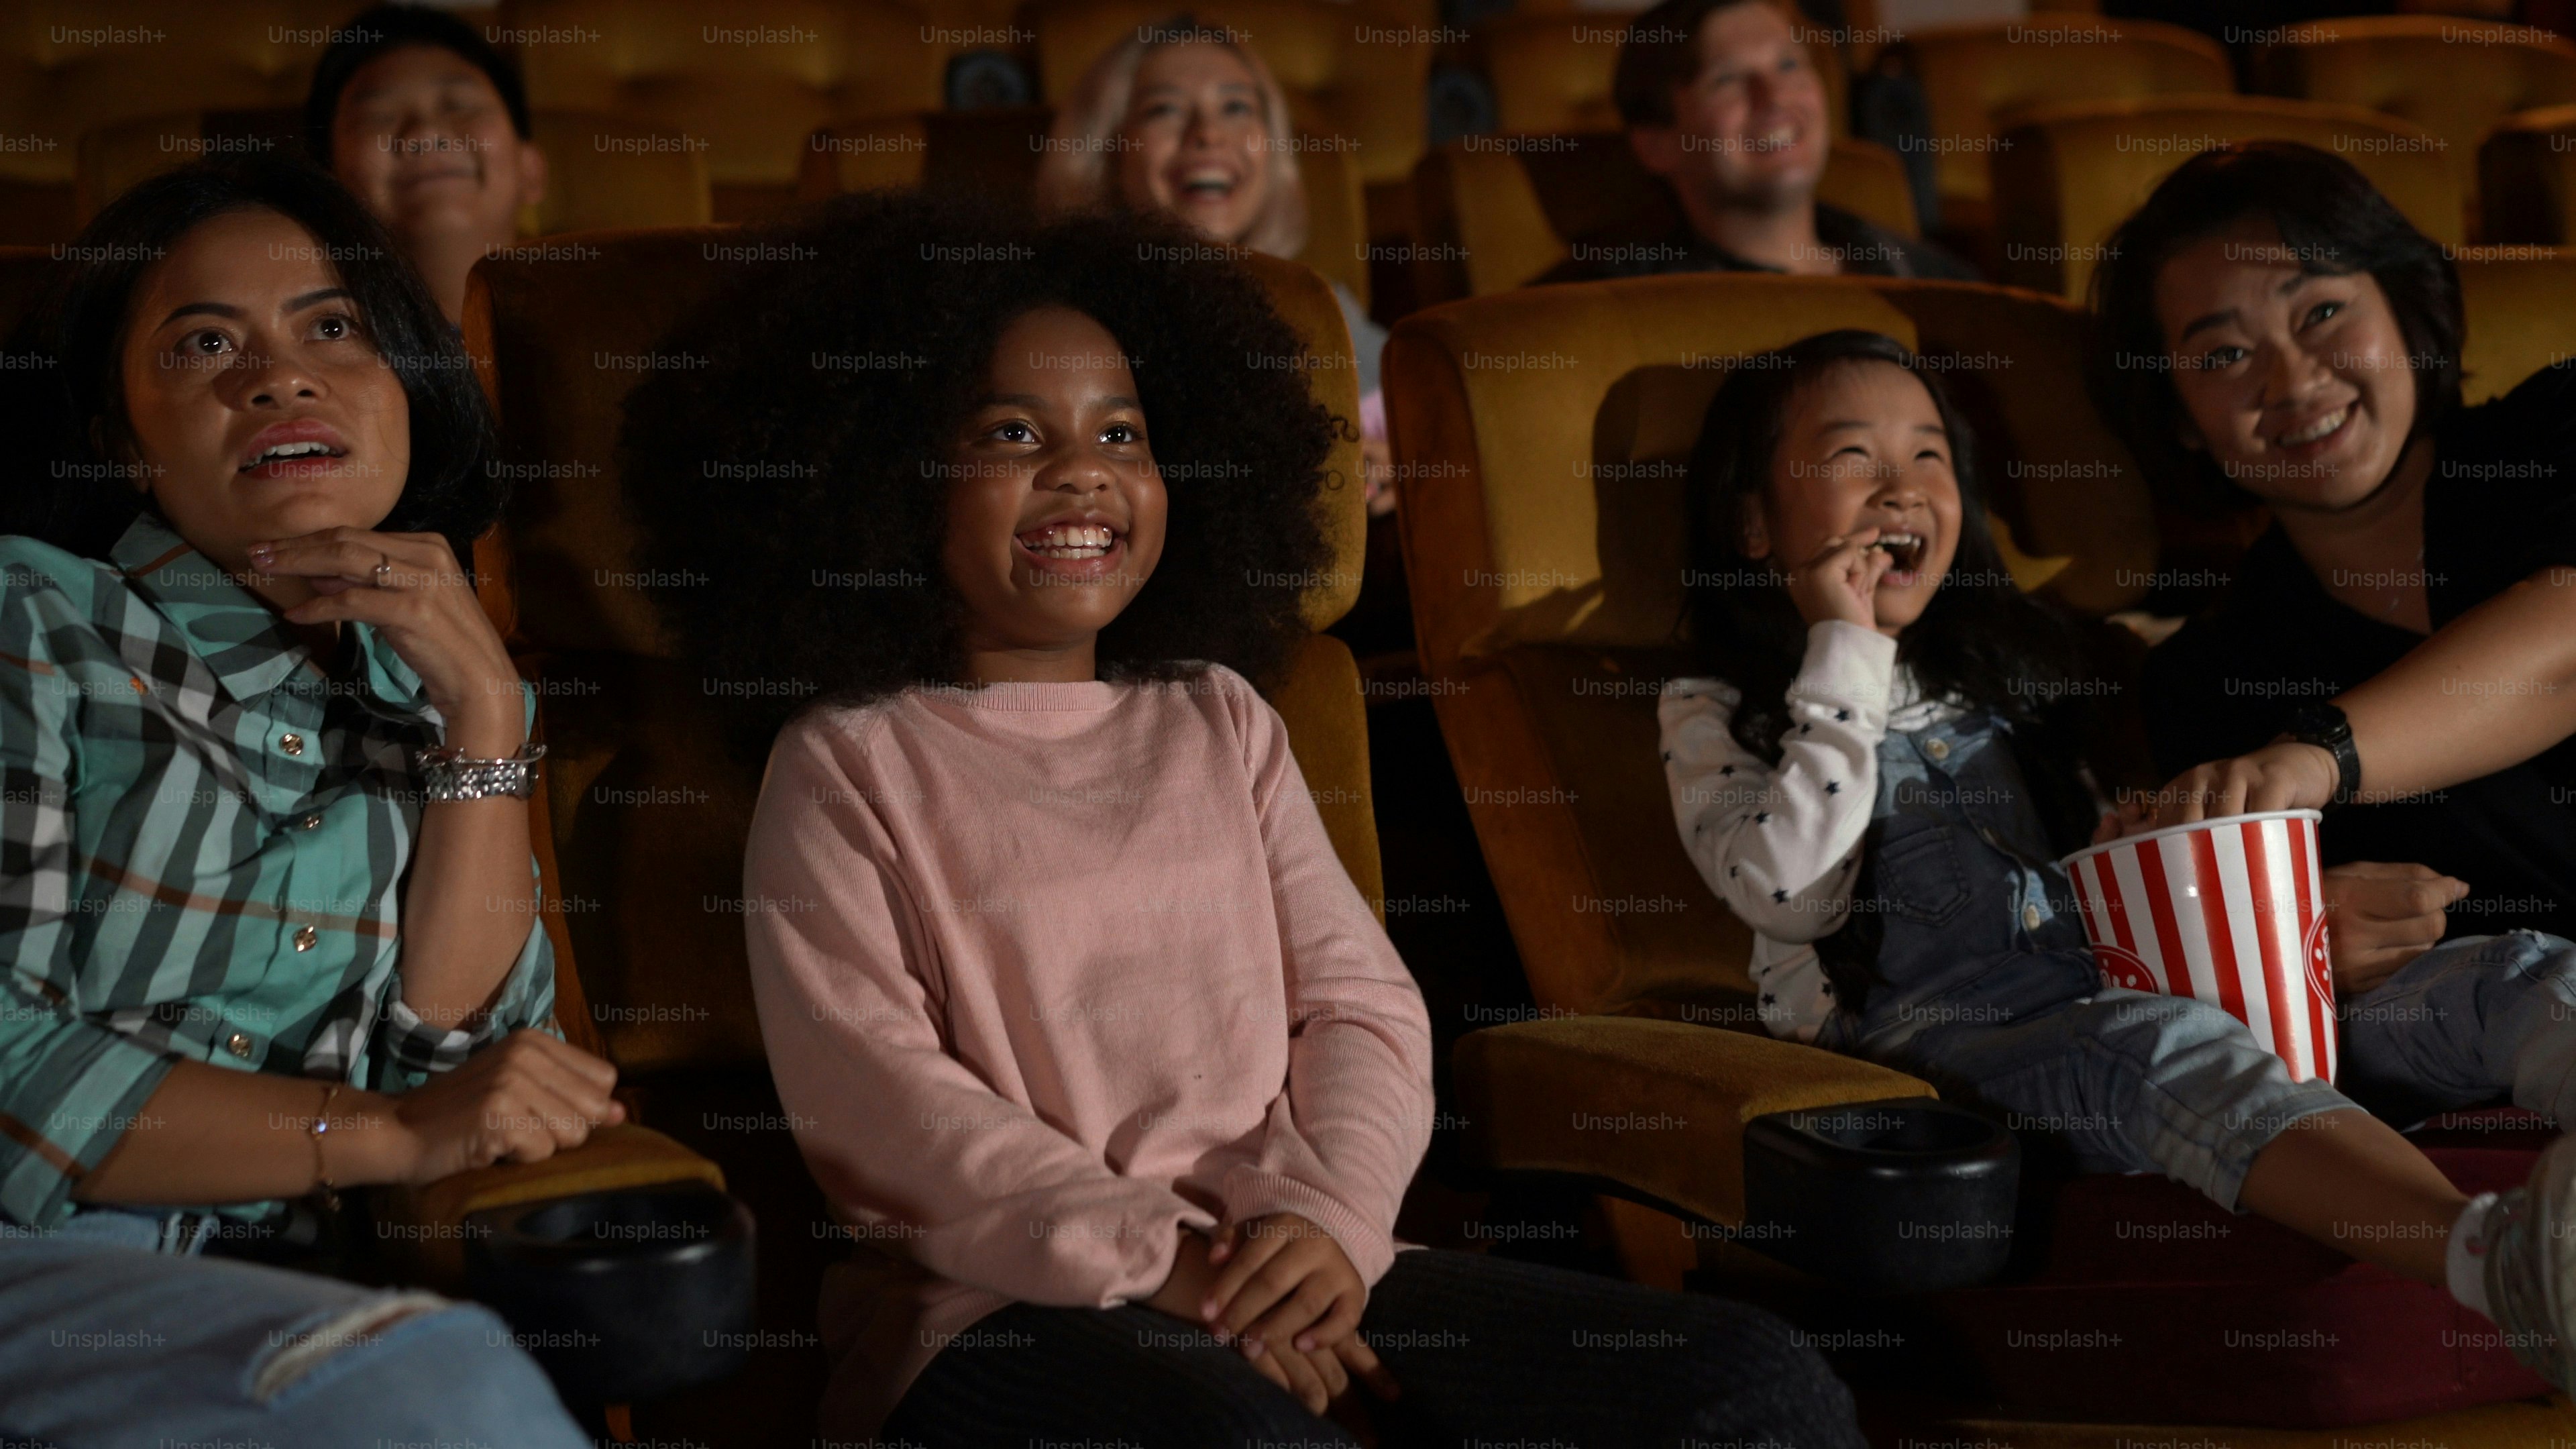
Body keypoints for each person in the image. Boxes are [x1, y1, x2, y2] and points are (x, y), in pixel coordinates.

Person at [621, 192, 1868, 1448]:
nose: (1086, 471)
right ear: (885, 476)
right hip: (1000, 1311)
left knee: (1752, 1381)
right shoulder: (845, 762)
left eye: (1124, 431)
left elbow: (1362, 1011)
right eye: (1013, 431)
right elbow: (888, 1116)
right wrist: (1178, 1266)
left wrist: (1322, 1223)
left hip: (1302, 1255)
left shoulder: (1219, 716)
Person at [1660, 327, 2576, 1393]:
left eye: (1929, 455)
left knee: (2505, 970)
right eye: (1854, 455)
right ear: (1753, 524)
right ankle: (2501, 1262)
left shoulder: (2008, 683)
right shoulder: (1718, 709)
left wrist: (2188, 876)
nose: (1901, 487)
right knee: (2158, 1044)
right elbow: (1792, 892)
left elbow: (2107, 899)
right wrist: (1844, 651)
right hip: (1943, 1054)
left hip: (2127, 984)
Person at [0, 156, 613, 1446]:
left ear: (406, 389)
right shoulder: (34, 622)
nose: (280, 378)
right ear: (120, 437)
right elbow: (7, 1066)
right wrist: (381, 1137)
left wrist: (484, 719)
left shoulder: (440, 688)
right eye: (204, 344)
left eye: (334, 329)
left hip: (282, 1296)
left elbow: (477, 1075)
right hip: (41, 1264)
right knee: (443, 1392)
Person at [2094, 144, 2576, 966]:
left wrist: (2320, 758)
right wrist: (2303, 946)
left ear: (2402, 305)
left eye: (2320, 313)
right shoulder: (2208, 686)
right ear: (2179, 418)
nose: (2292, 382)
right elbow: (2251, 950)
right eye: (2224, 355)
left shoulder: (2558, 426)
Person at [1036, 15, 1396, 516]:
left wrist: (1391, 466)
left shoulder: (1319, 303)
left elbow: (1425, 423)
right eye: (1164, 109)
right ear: (1107, 150)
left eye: (1236, 107)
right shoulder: (1063, 315)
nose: (1207, 134)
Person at [1540, 0, 1976, 285]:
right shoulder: (1603, 312)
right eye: (1727, 79)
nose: (1775, 97)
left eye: (1789, 65)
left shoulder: (1931, 278)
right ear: (1655, 145)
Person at [305, 3, 549, 326]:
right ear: (327, 183)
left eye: (459, 105)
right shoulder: (299, 346)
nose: (424, 134)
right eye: (378, 117)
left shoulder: (604, 317)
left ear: (531, 169)